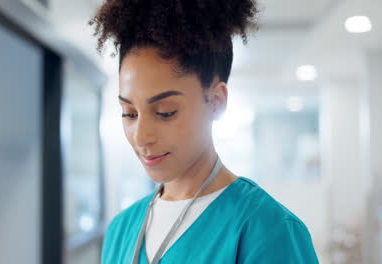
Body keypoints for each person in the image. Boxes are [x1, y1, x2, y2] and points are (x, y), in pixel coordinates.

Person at [89, 0, 320, 263]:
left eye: (165, 112)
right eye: (129, 113)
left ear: (216, 102)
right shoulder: (121, 230)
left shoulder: (266, 230)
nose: (141, 137)